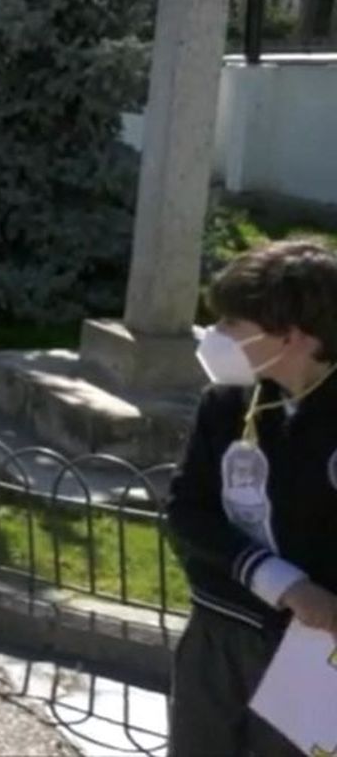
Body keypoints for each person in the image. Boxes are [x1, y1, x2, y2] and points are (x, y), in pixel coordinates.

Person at [167, 240, 337, 757]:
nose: (214, 338)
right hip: (219, 629)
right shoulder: (225, 403)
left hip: (314, 652)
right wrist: (283, 583)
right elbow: (185, 512)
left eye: (231, 326)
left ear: (292, 337)